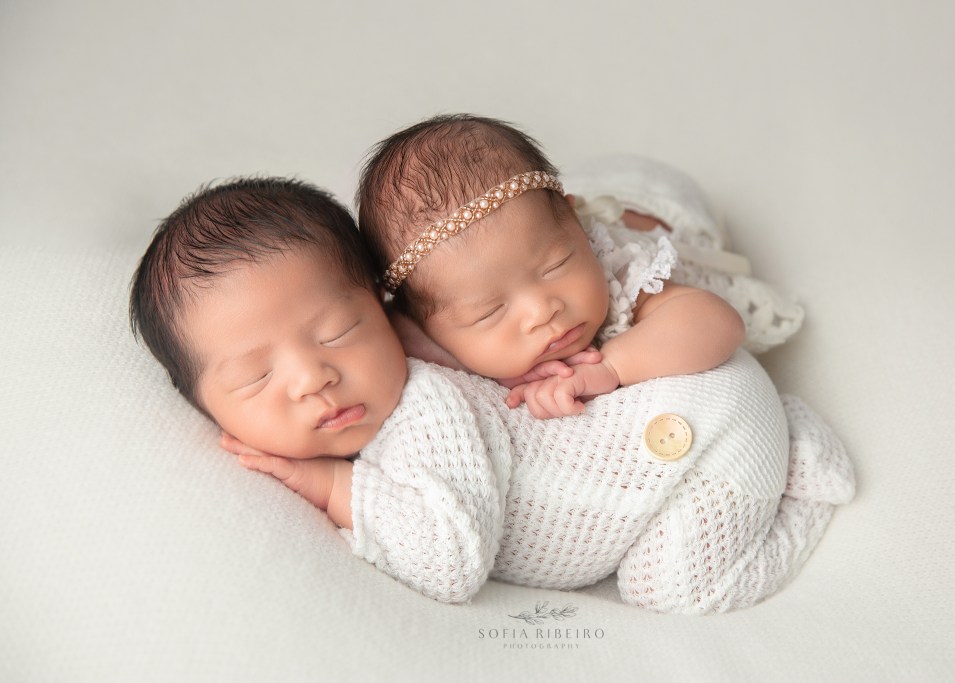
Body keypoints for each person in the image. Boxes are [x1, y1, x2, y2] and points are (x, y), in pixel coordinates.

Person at [129, 176, 854, 613]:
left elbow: (450, 560)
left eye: (340, 330)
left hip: (704, 432)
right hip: (680, 412)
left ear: (387, 312)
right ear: (204, 404)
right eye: (256, 377)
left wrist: (332, 487)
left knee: (671, 590)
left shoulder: (424, 410)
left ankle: (800, 481)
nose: (311, 377)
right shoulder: (437, 356)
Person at [356, 114, 748, 418]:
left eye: (556, 266)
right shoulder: (421, 324)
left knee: (538, 223)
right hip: (531, 222)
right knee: (523, 232)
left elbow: (717, 322)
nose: (542, 311)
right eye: (490, 311)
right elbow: (395, 332)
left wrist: (611, 367)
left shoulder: (622, 270)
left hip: (660, 204)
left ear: (579, 228)